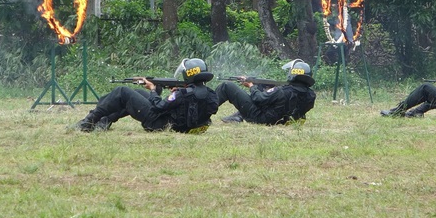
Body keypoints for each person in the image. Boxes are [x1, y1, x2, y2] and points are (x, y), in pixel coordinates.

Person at [74, 58, 219, 133]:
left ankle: (88, 122)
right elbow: (190, 107)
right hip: (178, 125)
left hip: (159, 124)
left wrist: (153, 90)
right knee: (137, 94)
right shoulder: (211, 95)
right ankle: (105, 120)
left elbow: (157, 107)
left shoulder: (182, 93)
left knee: (122, 91)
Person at [216, 59, 317, 125]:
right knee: (260, 88)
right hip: (280, 120)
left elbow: (258, 99)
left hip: (261, 119)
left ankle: (204, 114)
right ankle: (238, 116)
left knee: (227, 86)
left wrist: (251, 86)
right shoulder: (311, 95)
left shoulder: (281, 91)